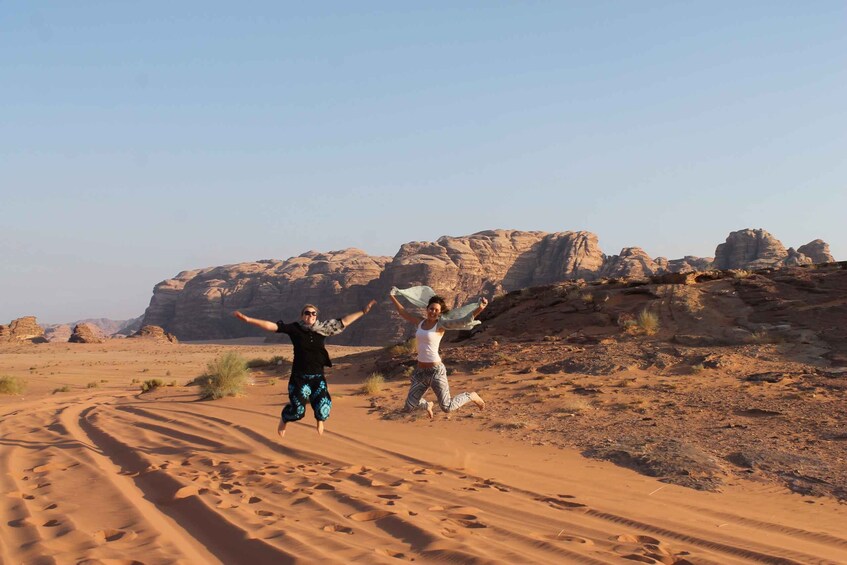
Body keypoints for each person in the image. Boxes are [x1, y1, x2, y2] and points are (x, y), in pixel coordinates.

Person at [233, 299, 377, 437]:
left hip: (317, 376)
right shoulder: (295, 329)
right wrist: (248, 320)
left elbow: (344, 321)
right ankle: (284, 419)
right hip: (299, 377)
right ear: (302, 315)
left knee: (323, 406)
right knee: (298, 410)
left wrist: (363, 311)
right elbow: (272, 327)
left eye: (314, 313)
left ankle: (320, 421)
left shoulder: (323, 329)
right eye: (307, 313)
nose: (311, 315)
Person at [389, 288, 488, 419]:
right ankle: (426, 405)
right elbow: (403, 313)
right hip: (420, 372)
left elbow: (463, 321)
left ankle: (470, 396)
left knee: (447, 407)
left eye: (436, 310)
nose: (433, 312)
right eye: (431, 309)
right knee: (409, 405)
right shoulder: (420, 322)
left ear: (440, 313)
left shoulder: (440, 325)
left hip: (436, 371)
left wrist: (480, 308)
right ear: (427, 309)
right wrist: (392, 297)